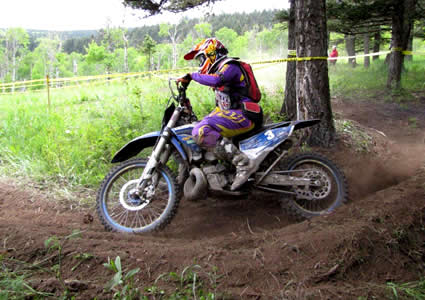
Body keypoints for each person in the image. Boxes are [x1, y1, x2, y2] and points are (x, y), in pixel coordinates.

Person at [177, 38, 262, 191]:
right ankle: (220, 171)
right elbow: (221, 108)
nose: (200, 64)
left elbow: (217, 80)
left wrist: (192, 76)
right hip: (235, 115)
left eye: (201, 59)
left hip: (245, 115)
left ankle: (243, 164)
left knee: (201, 132)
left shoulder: (230, 66)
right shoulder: (221, 71)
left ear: (211, 53)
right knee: (199, 127)